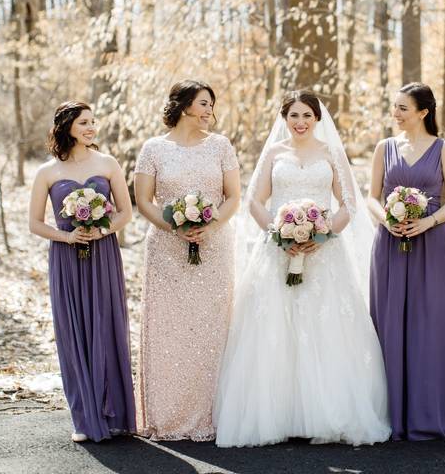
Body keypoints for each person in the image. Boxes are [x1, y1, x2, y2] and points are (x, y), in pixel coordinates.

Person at [214, 90, 390, 447]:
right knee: (276, 327)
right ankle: (279, 414)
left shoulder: (330, 154)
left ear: (317, 119)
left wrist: (323, 235)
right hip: (277, 250)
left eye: (306, 115)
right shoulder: (275, 154)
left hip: (324, 254)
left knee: (322, 326)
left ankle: (322, 412)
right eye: (294, 115)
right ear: (285, 118)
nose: (300, 122)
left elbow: (348, 204)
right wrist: (278, 234)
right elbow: (255, 201)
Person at [133, 80, 241, 440]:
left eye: (212, 104)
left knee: (211, 328)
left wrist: (209, 226)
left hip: (214, 246)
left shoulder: (221, 146)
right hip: (166, 250)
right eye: (204, 103)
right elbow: (144, 200)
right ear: (183, 106)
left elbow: (233, 197)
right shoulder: (153, 149)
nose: (210, 110)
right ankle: (166, 415)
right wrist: (173, 227)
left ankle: (212, 414)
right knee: (170, 330)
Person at [27, 101, 137, 442]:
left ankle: (114, 413)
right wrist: (67, 236)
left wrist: (103, 231)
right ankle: (84, 419)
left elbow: (125, 212)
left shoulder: (107, 163)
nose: (91, 128)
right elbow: (34, 223)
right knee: (74, 332)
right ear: (67, 127)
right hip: (66, 258)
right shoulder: (47, 171)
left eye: (93, 122)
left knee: (106, 327)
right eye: (84, 122)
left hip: (103, 255)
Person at [367, 83, 445, 440]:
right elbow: (371, 197)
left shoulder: (443, 148)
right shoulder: (384, 147)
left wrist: (428, 221)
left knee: (430, 321)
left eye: (403, 108)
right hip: (389, 244)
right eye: (394, 107)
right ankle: (390, 412)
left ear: (423, 112)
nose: (396, 114)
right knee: (389, 321)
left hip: (431, 242)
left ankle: (429, 410)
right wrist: (386, 220)